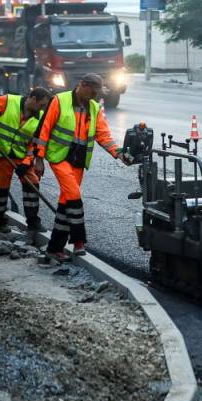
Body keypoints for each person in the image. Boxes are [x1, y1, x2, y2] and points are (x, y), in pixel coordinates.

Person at [34, 74, 130, 261]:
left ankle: (54, 248)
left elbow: (103, 135)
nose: (95, 95)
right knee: (74, 195)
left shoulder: (94, 107)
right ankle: (79, 241)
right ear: (82, 85)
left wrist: (118, 153)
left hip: (78, 160)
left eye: (98, 92)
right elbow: (43, 130)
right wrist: (38, 159)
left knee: (65, 203)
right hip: (59, 156)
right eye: (93, 91)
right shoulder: (59, 101)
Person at [0, 87, 51, 232]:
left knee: (33, 184)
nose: (43, 109)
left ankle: (33, 222)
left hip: (22, 156)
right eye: (41, 105)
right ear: (33, 99)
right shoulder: (8, 101)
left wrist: (27, 162)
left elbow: (34, 145)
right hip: (1, 154)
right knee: (0, 189)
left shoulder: (40, 118)